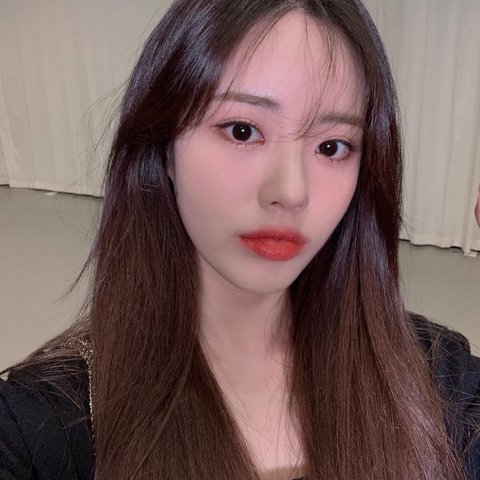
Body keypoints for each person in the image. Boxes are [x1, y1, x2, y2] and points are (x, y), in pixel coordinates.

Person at [1, 1, 479, 479]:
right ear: (164, 148)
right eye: (243, 131)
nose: (290, 191)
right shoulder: (45, 427)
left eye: (331, 146)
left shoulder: (435, 378)